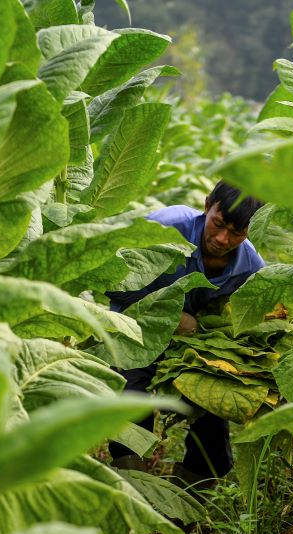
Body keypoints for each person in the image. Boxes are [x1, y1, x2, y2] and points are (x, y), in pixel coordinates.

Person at [107, 180, 265, 482]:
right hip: (136, 331)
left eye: (236, 233)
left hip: (194, 348)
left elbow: (248, 318)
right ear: (207, 206)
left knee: (214, 441)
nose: (222, 238)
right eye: (218, 224)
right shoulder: (166, 229)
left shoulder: (250, 267)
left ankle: (183, 511)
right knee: (132, 406)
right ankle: (133, 492)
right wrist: (169, 314)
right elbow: (113, 282)